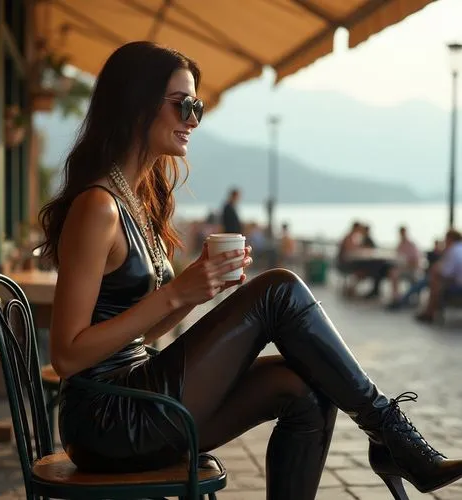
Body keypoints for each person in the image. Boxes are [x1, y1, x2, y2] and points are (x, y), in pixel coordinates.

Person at [38, 41, 462, 500]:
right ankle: (393, 436)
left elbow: (136, 330)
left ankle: (391, 439)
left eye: (197, 107)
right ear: (136, 103)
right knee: (278, 290)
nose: (193, 120)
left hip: (139, 398)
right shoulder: (97, 207)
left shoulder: (136, 203)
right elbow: (68, 355)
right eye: (183, 105)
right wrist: (178, 293)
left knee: (306, 386)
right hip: (107, 421)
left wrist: (199, 291)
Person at [416, 229, 462, 323]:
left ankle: (429, 313)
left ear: (450, 239)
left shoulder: (454, 250)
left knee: (434, 280)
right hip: (457, 282)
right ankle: (429, 311)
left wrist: (437, 267)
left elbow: (447, 272)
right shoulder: (458, 249)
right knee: (433, 280)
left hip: (458, 285)